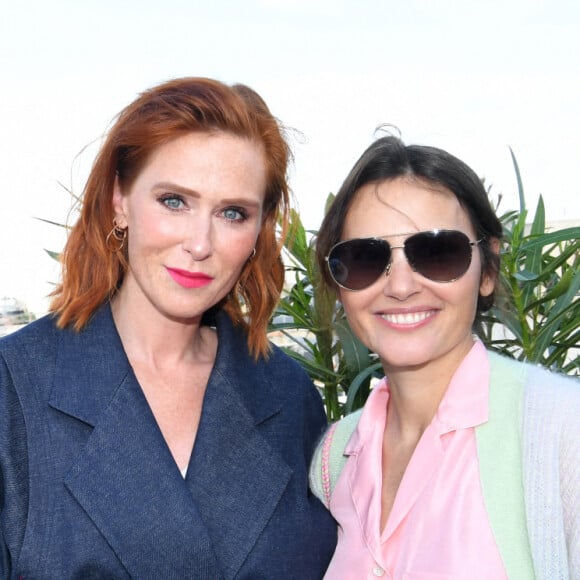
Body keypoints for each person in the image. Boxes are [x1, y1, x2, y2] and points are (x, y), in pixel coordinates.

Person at [0, 77, 336, 578]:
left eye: (232, 213)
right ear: (120, 200)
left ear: (259, 230)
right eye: (175, 201)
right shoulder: (15, 387)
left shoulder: (288, 396)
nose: (200, 243)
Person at [310, 135, 579, 579]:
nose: (400, 286)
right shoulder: (333, 459)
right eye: (364, 258)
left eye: (437, 252)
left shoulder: (562, 433)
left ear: (488, 269)